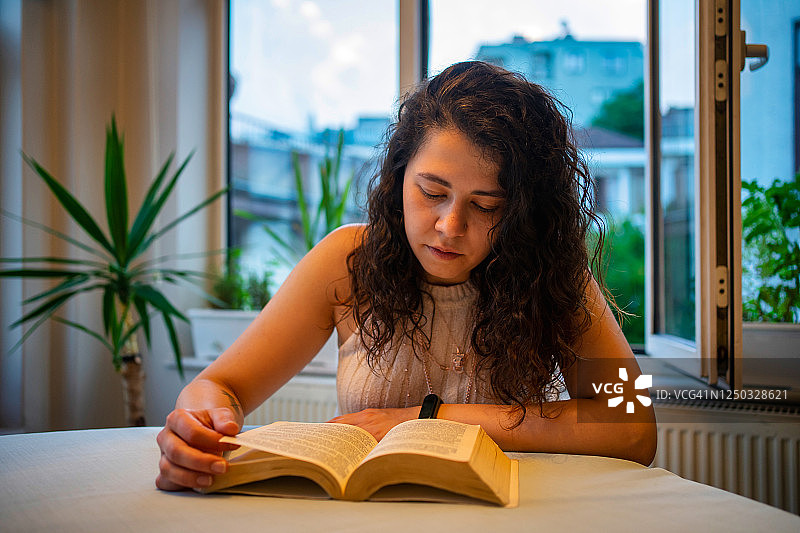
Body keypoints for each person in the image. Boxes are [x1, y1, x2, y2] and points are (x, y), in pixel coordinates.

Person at [156, 61, 657, 491]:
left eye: (486, 206)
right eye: (431, 192)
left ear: (524, 213)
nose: (449, 227)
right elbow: (220, 386)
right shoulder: (347, 260)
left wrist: (425, 419)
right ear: (399, 176)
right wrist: (201, 422)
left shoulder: (550, 273)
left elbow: (633, 428)